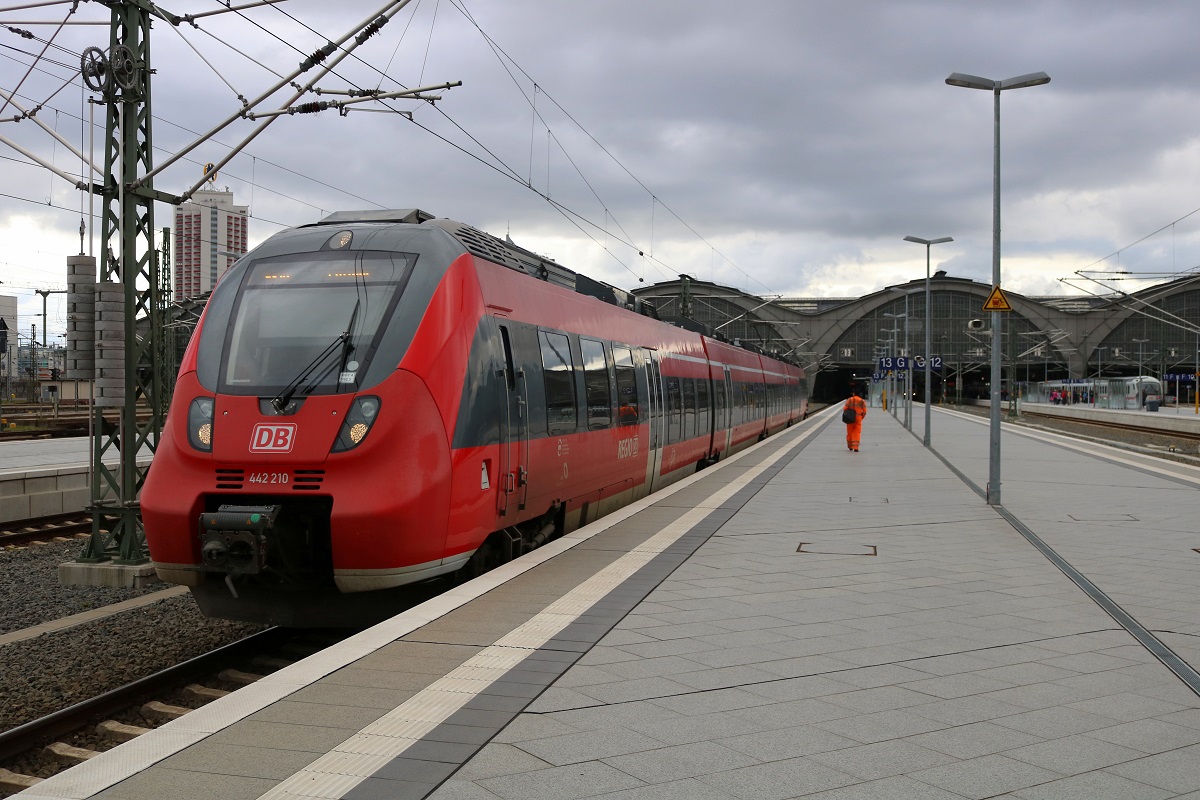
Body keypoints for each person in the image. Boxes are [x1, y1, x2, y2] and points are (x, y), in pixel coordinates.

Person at [843, 387, 867, 452]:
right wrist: (861, 418)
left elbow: (845, 408)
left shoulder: (849, 400)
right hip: (858, 418)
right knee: (857, 432)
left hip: (850, 418)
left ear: (854, 393)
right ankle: (856, 447)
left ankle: (850, 446)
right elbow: (864, 412)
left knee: (849, 431)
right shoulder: (862, 401)